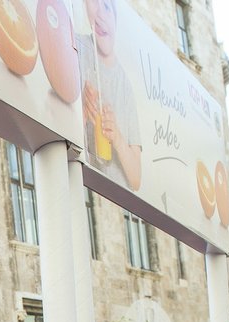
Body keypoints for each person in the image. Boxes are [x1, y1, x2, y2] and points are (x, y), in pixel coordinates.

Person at [80, 0, 142, 190]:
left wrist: (117, 137)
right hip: (85, 187)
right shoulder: (75, 46)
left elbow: (136, 179)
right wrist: (81, 113)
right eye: (93, 2)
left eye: (107, 6)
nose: (100, 13)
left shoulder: (125, 85)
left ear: (116, 16)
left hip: (118, 198)